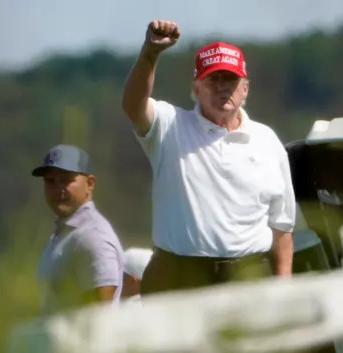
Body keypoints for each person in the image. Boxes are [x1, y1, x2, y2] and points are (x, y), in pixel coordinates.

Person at [121, 20, 296, 295]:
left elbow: (282, 228)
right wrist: (149, 54)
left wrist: (283, 288)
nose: (222, 87)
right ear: (197, 88)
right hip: (178, 280)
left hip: (248, 279)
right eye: (212, 79)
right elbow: (133, 105)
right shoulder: (170, 126)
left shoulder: (268, 141)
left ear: (245, 89)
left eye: (230, 80)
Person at [32, 144, 124, 313]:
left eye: (66, 180)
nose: (58, 189)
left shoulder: (92, 236)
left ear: (90, 184)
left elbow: (101, 314)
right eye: (50, 181)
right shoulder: (66, 233)